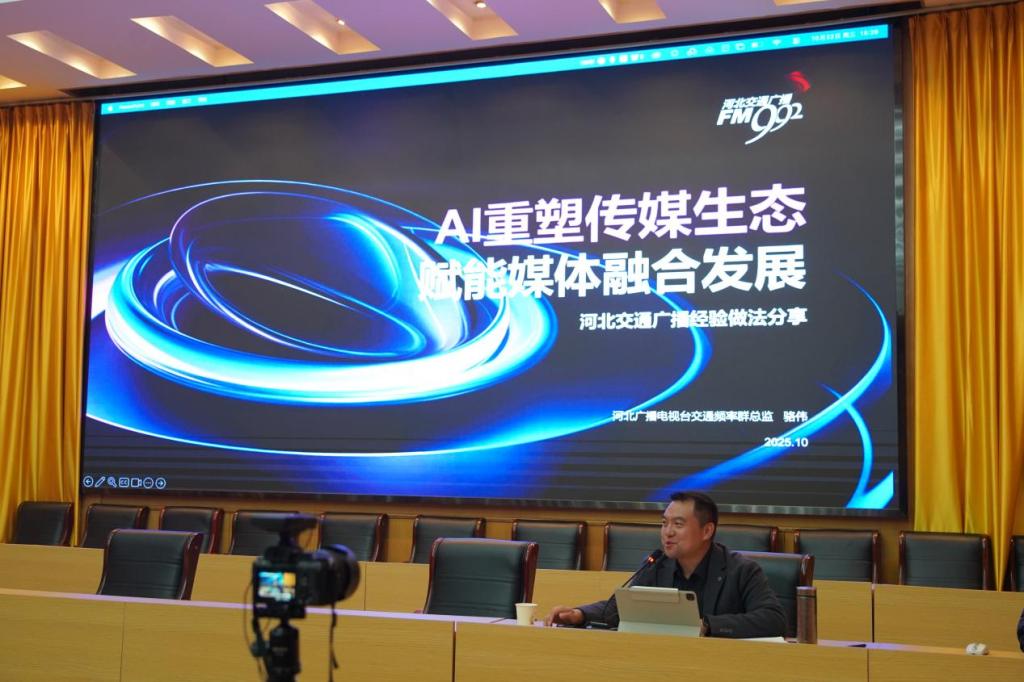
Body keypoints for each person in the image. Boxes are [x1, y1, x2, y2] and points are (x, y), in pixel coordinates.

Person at [544, 491, 786, 638]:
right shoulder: (657, 565)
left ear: (707, 531)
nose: (667, 532)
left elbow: (774, 619)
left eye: (678, 524)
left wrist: (707, 625)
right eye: (664, 523)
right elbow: (620, 610)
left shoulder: (741, 570)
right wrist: (579, 614)